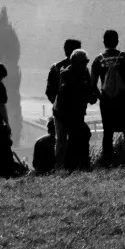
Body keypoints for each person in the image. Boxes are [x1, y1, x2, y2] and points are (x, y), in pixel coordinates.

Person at [91, 30, 125, 165]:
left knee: (108, 132)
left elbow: (93, 85)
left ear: (104, 42)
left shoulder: (98, 60)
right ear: (117, 42)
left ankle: (107, 161)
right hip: (124, 100)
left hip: (107, 100)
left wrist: (102, 99)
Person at [52, 49, 99, 170]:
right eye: (83, 62)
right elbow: (66, 97)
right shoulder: (66, 74)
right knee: (78, 135)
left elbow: (88, 88)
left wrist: (93, 96)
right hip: (65, 112)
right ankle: (76, 165)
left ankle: (78, 165)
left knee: (80, 135)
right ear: (74, 62)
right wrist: (86, 96)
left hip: (77, 112)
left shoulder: (84, 72)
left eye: (86, 62)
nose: (85, 64)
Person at [45, 38, 83, 166]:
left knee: (60, 139)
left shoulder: (56, 68)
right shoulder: (81, 67)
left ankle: (60, 166)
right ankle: (76, 164)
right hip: (76, 110)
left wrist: (57, 103)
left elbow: (49, 91)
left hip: (59, 111)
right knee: (76, 137)